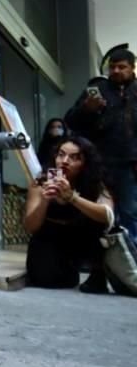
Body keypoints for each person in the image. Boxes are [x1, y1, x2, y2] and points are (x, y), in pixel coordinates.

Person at [23, 136, 114, 292]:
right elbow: (31, 227)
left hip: (81, 236)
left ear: (85, 163)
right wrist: (45, 200)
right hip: (50, 237)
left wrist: (72, 198)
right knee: (49, 280)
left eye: (75, 157)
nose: (65, 161)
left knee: (96, 221)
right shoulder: (41, 181)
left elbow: (107, 215)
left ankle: (97, 272)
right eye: (61, 154)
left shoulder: (95, 182)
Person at [65, 48, 137, 241]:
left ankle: (131, 259)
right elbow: (70, 121)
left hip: (129, 164)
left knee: (129, 212)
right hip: (98, 161)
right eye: (112, 67)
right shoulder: (99, 89)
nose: (116, 71)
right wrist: (87, 109)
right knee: (96, 209)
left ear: (132, 68)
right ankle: (95, 260)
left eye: (122, 67)